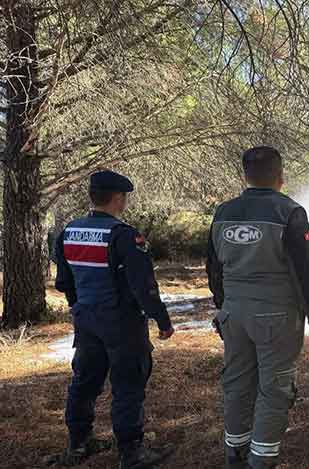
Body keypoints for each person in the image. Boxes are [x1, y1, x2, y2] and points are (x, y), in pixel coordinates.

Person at [207, 146, 309, 469]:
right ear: (280, 176)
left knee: (237, 384)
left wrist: (224, 308)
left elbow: (213, 268)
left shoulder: (223, 213)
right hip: (276, 317)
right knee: (275, 388)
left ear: (245, 175)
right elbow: (305, 269)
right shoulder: (290, 212)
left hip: (233, 314)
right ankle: (261, 460)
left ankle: (235, 455)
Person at [52, 170, 174, 469]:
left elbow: (64, 282)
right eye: (124, 197)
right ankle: (131, 452)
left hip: (86, 320)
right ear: (118, 198)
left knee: (84, 382)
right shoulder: (124, 235)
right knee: (128, 385)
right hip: (122, 323)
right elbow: (143, 286)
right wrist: (162, 320)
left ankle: (79, 443)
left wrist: (79, 308)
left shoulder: (69, 231)